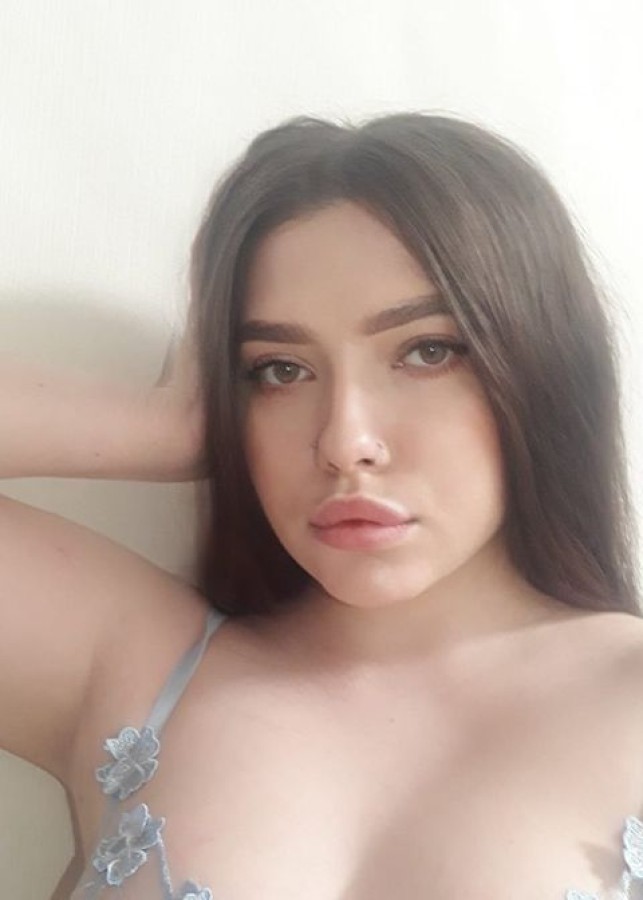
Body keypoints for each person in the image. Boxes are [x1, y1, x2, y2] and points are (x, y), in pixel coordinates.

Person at [1, 111, 641, 900]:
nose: (345, 441)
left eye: (426, 351)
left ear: (541, 365)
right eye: (279, 369)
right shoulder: (136, 667)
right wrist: (170, 427)